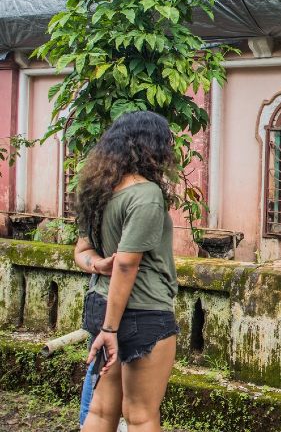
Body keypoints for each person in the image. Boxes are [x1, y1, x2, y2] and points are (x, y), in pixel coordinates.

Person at [74, 111, 180, 432]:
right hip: (141, 313)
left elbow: (82, 253)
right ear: (149, 147)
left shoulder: (98, 190)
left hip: (101, 301)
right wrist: (110, 329)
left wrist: (97, 264)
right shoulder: (146, 194)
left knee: (101, 410)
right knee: (141, 415)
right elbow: (125, 263)